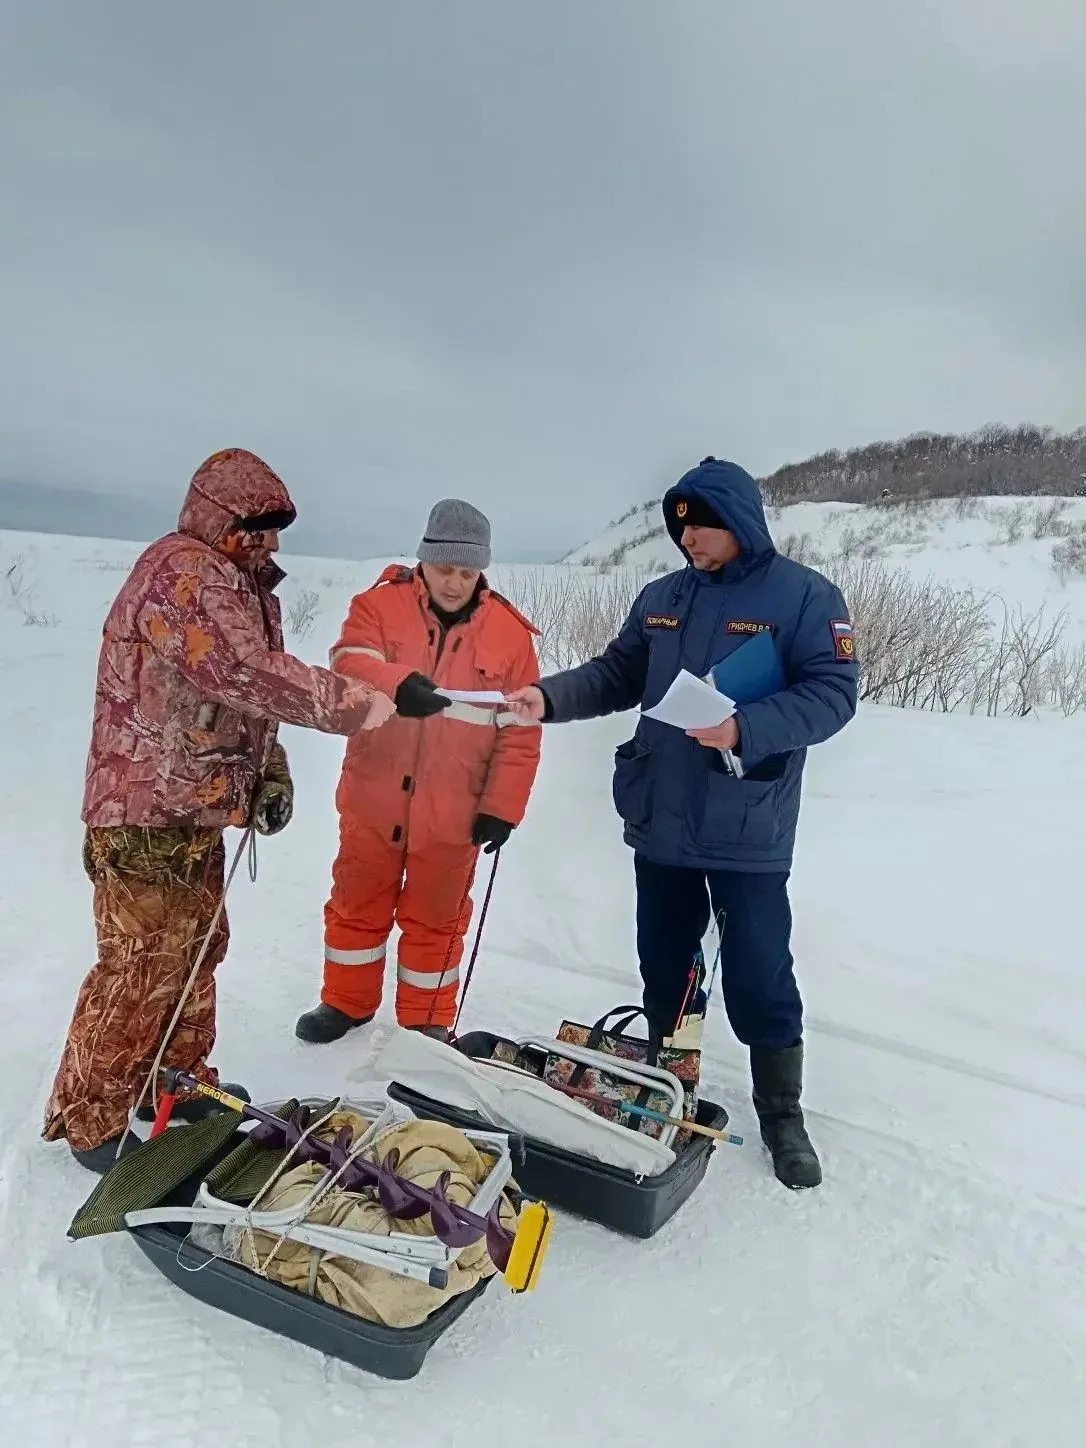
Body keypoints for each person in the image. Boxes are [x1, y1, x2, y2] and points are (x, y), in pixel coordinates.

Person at [505, 456, 858, 1189]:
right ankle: (674, 1083)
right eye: (679, 525)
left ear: (740, 522)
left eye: (700, 525)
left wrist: (745, 727)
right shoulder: (662, 597)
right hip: (662, 817)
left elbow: (833, 693)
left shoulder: (804, 596)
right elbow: (617, 673)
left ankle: (782, 1114)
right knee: (666, 963)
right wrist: (548, 697)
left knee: (760, 970)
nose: (686, 537)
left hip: (747, 825)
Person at [43, 448, 396, 1172]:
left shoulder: (239, 584)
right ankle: (94, 1117)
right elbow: (245, 672)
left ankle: (174, 1082)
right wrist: (359, 703)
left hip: (192, 805)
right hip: (144, 808)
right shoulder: (184, 573)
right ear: (216, 517)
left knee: (197, 948)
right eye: (253, 527)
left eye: (273, 530)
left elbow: (239, 700)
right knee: (139, 964)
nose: (265, 543)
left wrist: (269, 770)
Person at [295, 499, 543, 1045]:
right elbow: (348, 661)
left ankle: (426, 1019)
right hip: (373, 797)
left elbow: (521, 733)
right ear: (424, 560)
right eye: (444, 569)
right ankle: (345, 1002)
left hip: (454, 811)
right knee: (357, 901)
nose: (454, 583)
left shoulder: (510, 635)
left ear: (482, 571)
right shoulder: (378, 606)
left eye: (467, 573)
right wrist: (396, 682)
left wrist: (502, 807)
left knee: (438, 917)